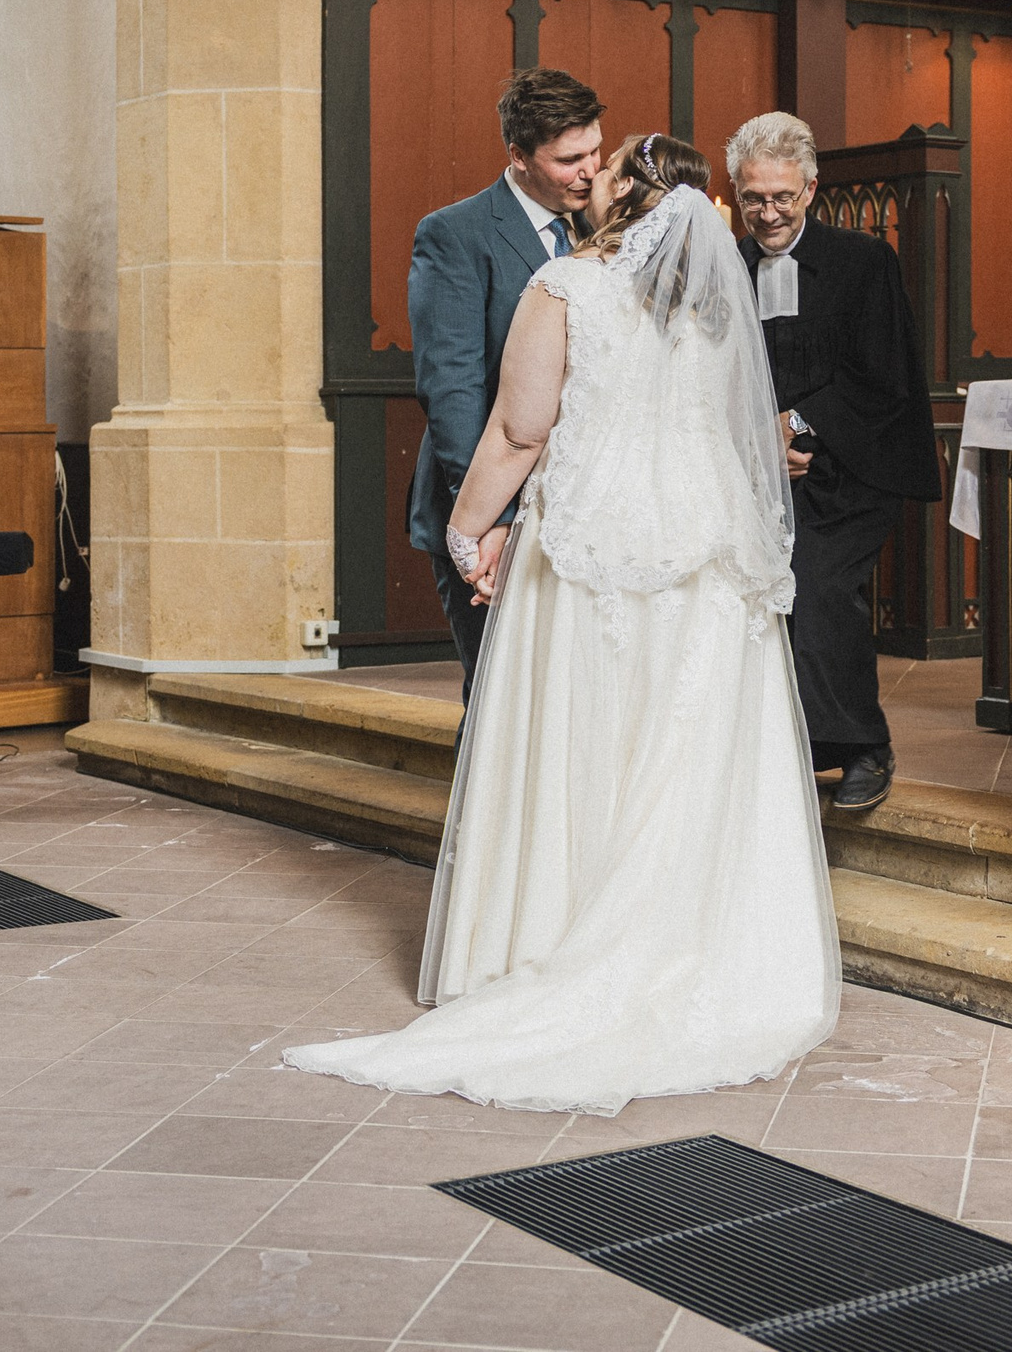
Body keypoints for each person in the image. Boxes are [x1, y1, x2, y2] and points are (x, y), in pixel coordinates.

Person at [286, 134, 839, 1115]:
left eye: (606, 168)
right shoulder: (718, 310)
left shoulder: (564, 289)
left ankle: (547, 941)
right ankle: (710, 948)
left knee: (581, 741)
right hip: (704, 560)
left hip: (590, 552)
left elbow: (516, 431)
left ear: (628, 195)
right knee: (689, 752)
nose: (587, 178)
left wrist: (467, 535)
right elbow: (751, 437)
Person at [729, 112, 942, 813]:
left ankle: (863, 747)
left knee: (815, 581)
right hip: (753, 475)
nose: (769, 213)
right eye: (754, 197)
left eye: (782, 197)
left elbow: (882, 373)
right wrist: (753, 440)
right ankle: (790, 746)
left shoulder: (862, 262)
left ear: (811, 188)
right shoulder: (726, 265)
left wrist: (795, 423)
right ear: (735, 192)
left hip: (848, 470)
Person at [405, 68, 605, 698]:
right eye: (569, 159)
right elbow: (454, 386)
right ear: (518, 157)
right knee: (501, 698)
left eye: (596, 150)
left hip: (583, 510)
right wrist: (492, 517)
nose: (591, 171)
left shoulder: (604, 228)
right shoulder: (456, 234)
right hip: (493, 507)